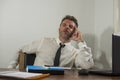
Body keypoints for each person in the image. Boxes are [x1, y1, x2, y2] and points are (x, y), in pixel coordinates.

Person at [8, 15, 94, 69]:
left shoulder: (76, 52)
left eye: (70, 26)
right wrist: (10, 69)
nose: (67, 27)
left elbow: (86, 66)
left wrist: (80, 41)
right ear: (59, 28)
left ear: (75, 31)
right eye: (64, 25)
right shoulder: (43, 41)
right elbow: (20, 50)